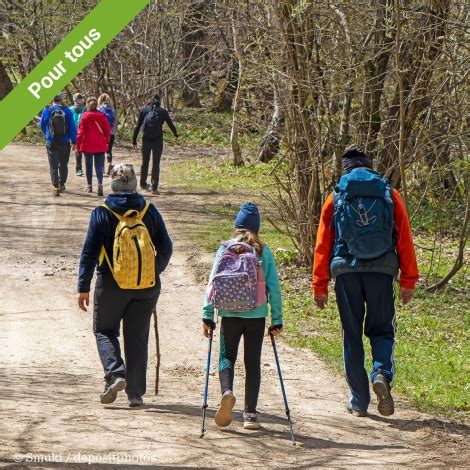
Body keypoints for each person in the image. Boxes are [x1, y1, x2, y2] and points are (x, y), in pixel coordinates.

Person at [312, 147, 419, 418]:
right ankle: (381, 372)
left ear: (345, 170)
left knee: (352, 333)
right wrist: (408, 279)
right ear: (369, 167)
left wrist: (319, 284)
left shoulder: (336, 196)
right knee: (382, 329)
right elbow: (404, 237)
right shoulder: (388, 195)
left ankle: (359, 401)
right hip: (382, 272)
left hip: (346, 271)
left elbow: (323, 244)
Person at [77, 164, 173, 407]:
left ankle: (116, 373)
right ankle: (136, 395)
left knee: (104, 330)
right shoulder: (149, 211)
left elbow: (89, 253)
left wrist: (83, 286)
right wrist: (153, 271)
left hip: (111, 283)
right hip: (146, 286)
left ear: (112, 184)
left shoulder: (102, 212)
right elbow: (166, 247)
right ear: (134, 184)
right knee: (137, 337)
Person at [202, 203, 283, 430]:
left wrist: (207, 315)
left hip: (229, 313)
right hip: (256, 316)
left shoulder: (224, 249)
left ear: (236, 226)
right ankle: (250, 414)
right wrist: (277, 319)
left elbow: (212, 284)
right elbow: (274, 288)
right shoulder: (263, 252)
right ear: (256, 228)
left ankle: (227, 392)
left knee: (227, 357)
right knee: (252, 362)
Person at [132, 94, 178, 195]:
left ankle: (143, 184)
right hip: (158, 139)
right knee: (156, 163)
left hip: (146, 139)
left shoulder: (144, 110)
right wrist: (175, 134)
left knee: (145, 162)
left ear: (150, 101)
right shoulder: (162, 111)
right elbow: (170, 123)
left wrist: (134, 139)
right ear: (159, 101)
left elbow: (138, 125)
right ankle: (154, 187)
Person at [40, 94, 77, 196]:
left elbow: (42, 125)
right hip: (65, 142)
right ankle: (62, 184)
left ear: (52, 100)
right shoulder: (67, 111)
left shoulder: (47, 110)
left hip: (51, 142)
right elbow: (72, 127)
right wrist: (74, 141)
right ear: (61, 100)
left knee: (54, 165)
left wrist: (48, 134)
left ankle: (55, 186)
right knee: (63, 164)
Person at [77, 97, 111, 196]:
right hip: (100, 144)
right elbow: (107, 130)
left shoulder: (84, 116)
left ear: (87, 105)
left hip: (87, 145)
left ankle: (89, 186)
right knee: (99, 166)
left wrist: (78, 145)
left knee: (88, 165)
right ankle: (100, 184)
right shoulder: (102, 115)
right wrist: (107, 141)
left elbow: (80, 132)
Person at [98, 93, 118, 176]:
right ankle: (109, 163)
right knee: (109, 150)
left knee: (101, 150)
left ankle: (102, 169)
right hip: (111, 133)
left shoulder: (99, 109)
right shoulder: (112, 109)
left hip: (101, 133)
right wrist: (114, 131)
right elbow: (116, 122)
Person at [69, 92, 87, 177]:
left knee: (77, 150)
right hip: (84, 132)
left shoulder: (70, 109)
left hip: (73, 132)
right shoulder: (86, 108)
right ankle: (82, 168)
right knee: (84, 150)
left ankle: (78, 169)